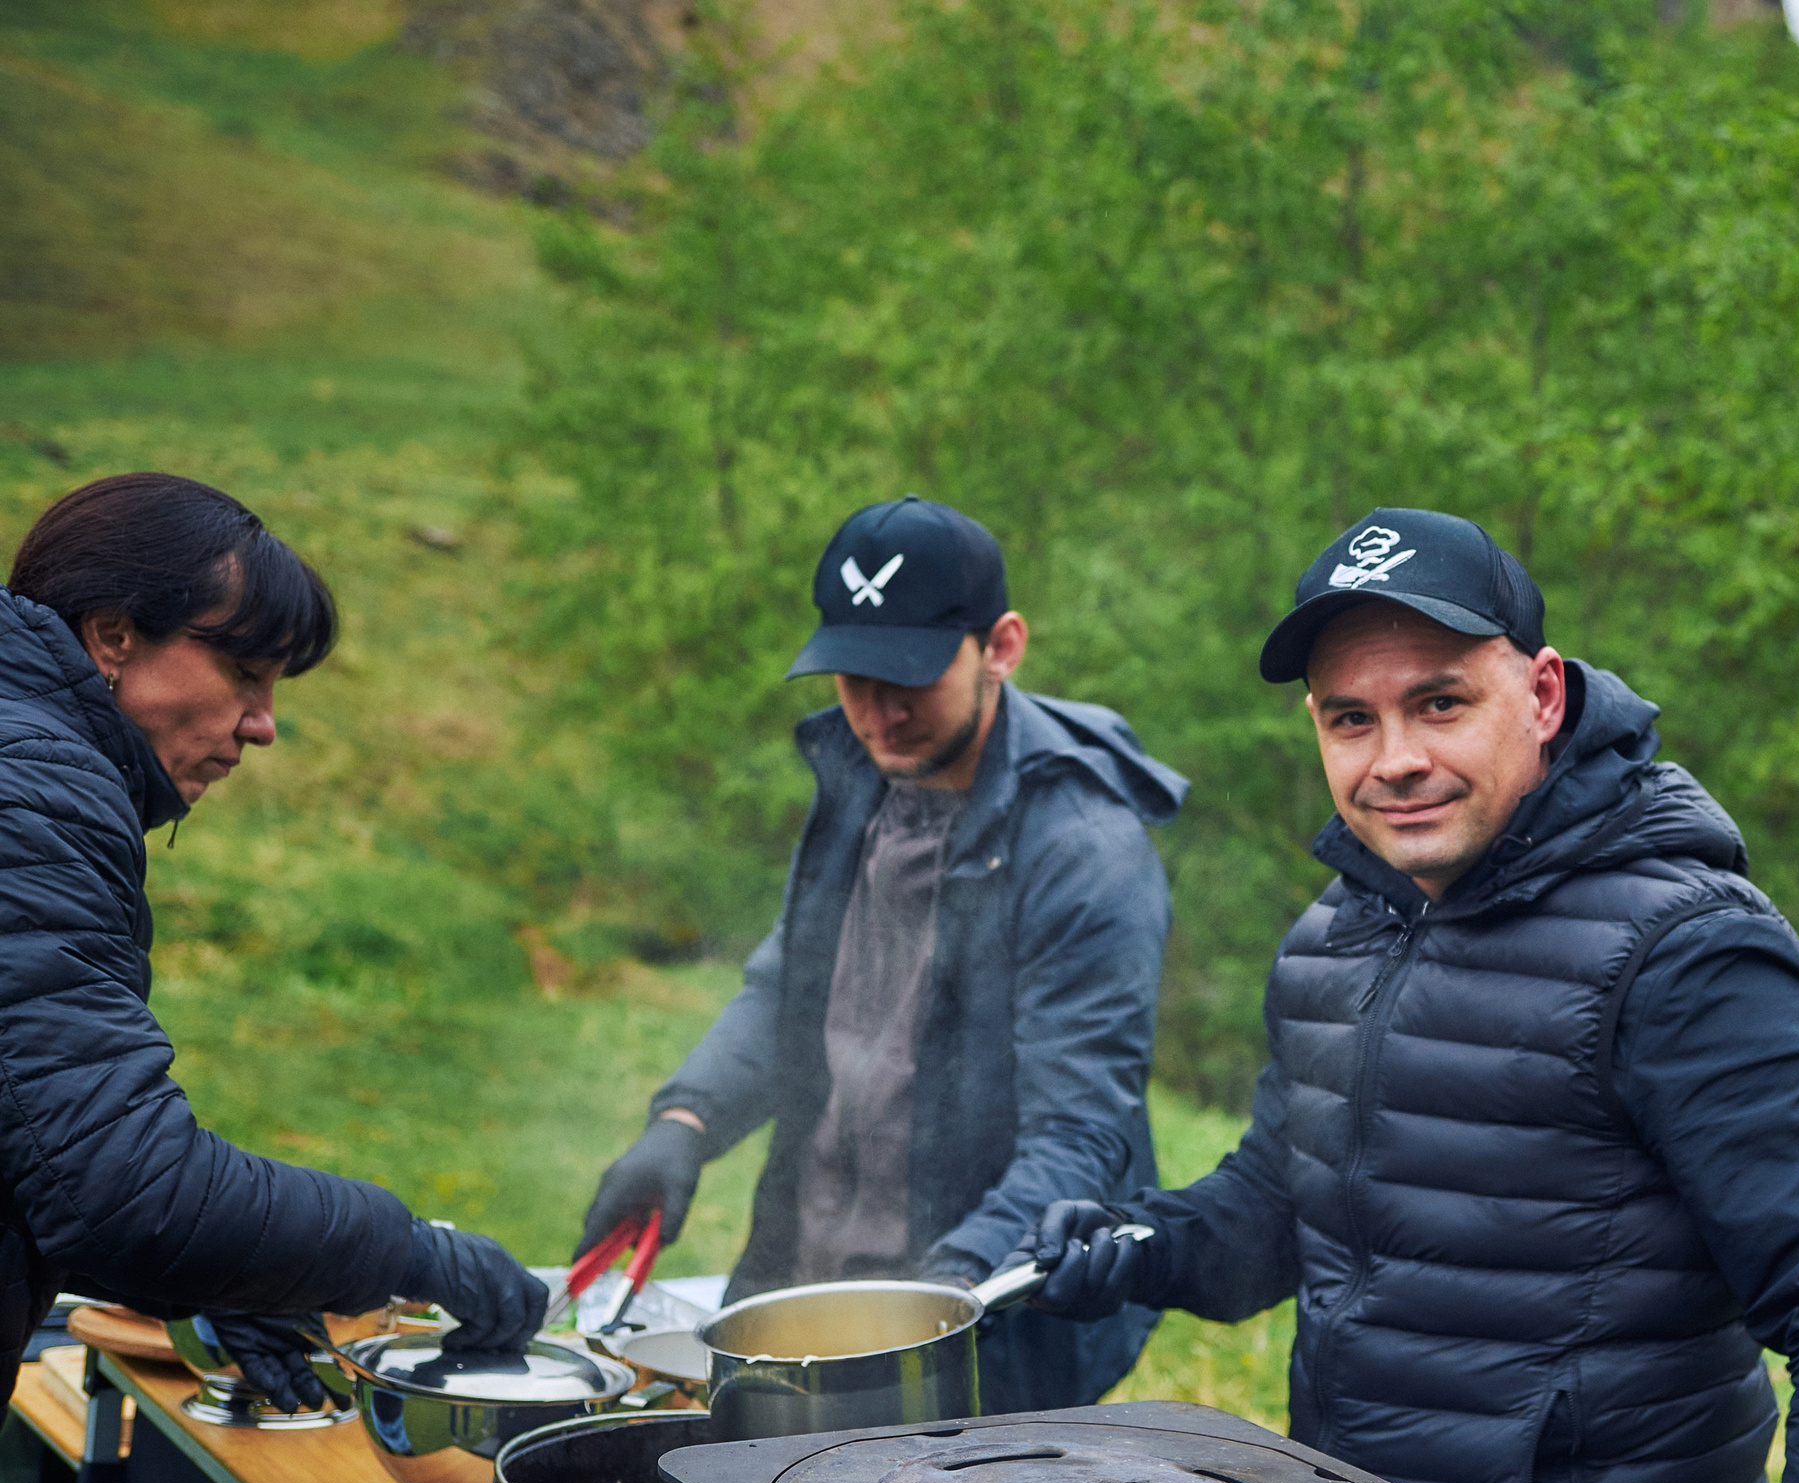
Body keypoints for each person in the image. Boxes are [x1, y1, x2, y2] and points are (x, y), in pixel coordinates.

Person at [1017, 509, 1799, 1483]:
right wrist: (1137, 1245)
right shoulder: (1333, 936)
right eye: (1351, 718)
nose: (1391, 756)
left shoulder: (1687, 954)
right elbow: (1275, 1207)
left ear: (1545, 694)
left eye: (1439, 702)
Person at [579, 495, 1185, 1411]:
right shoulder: (859, 778)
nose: (876, 710)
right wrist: (686, 1123)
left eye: (908, 673)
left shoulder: (1083, 847)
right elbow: (789, 987)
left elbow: (1080, 1134)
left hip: (987, 1327)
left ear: (1003, 646)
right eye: (852, 675)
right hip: (808, 1277)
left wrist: (931, 1303)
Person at [0, 473, 551, 1411]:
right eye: (245, 674)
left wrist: (222, 1278)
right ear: (113, 635)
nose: (262, 725)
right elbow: (119, 1186)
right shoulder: (33, 792)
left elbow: (37, 1150)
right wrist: (410, 1250)